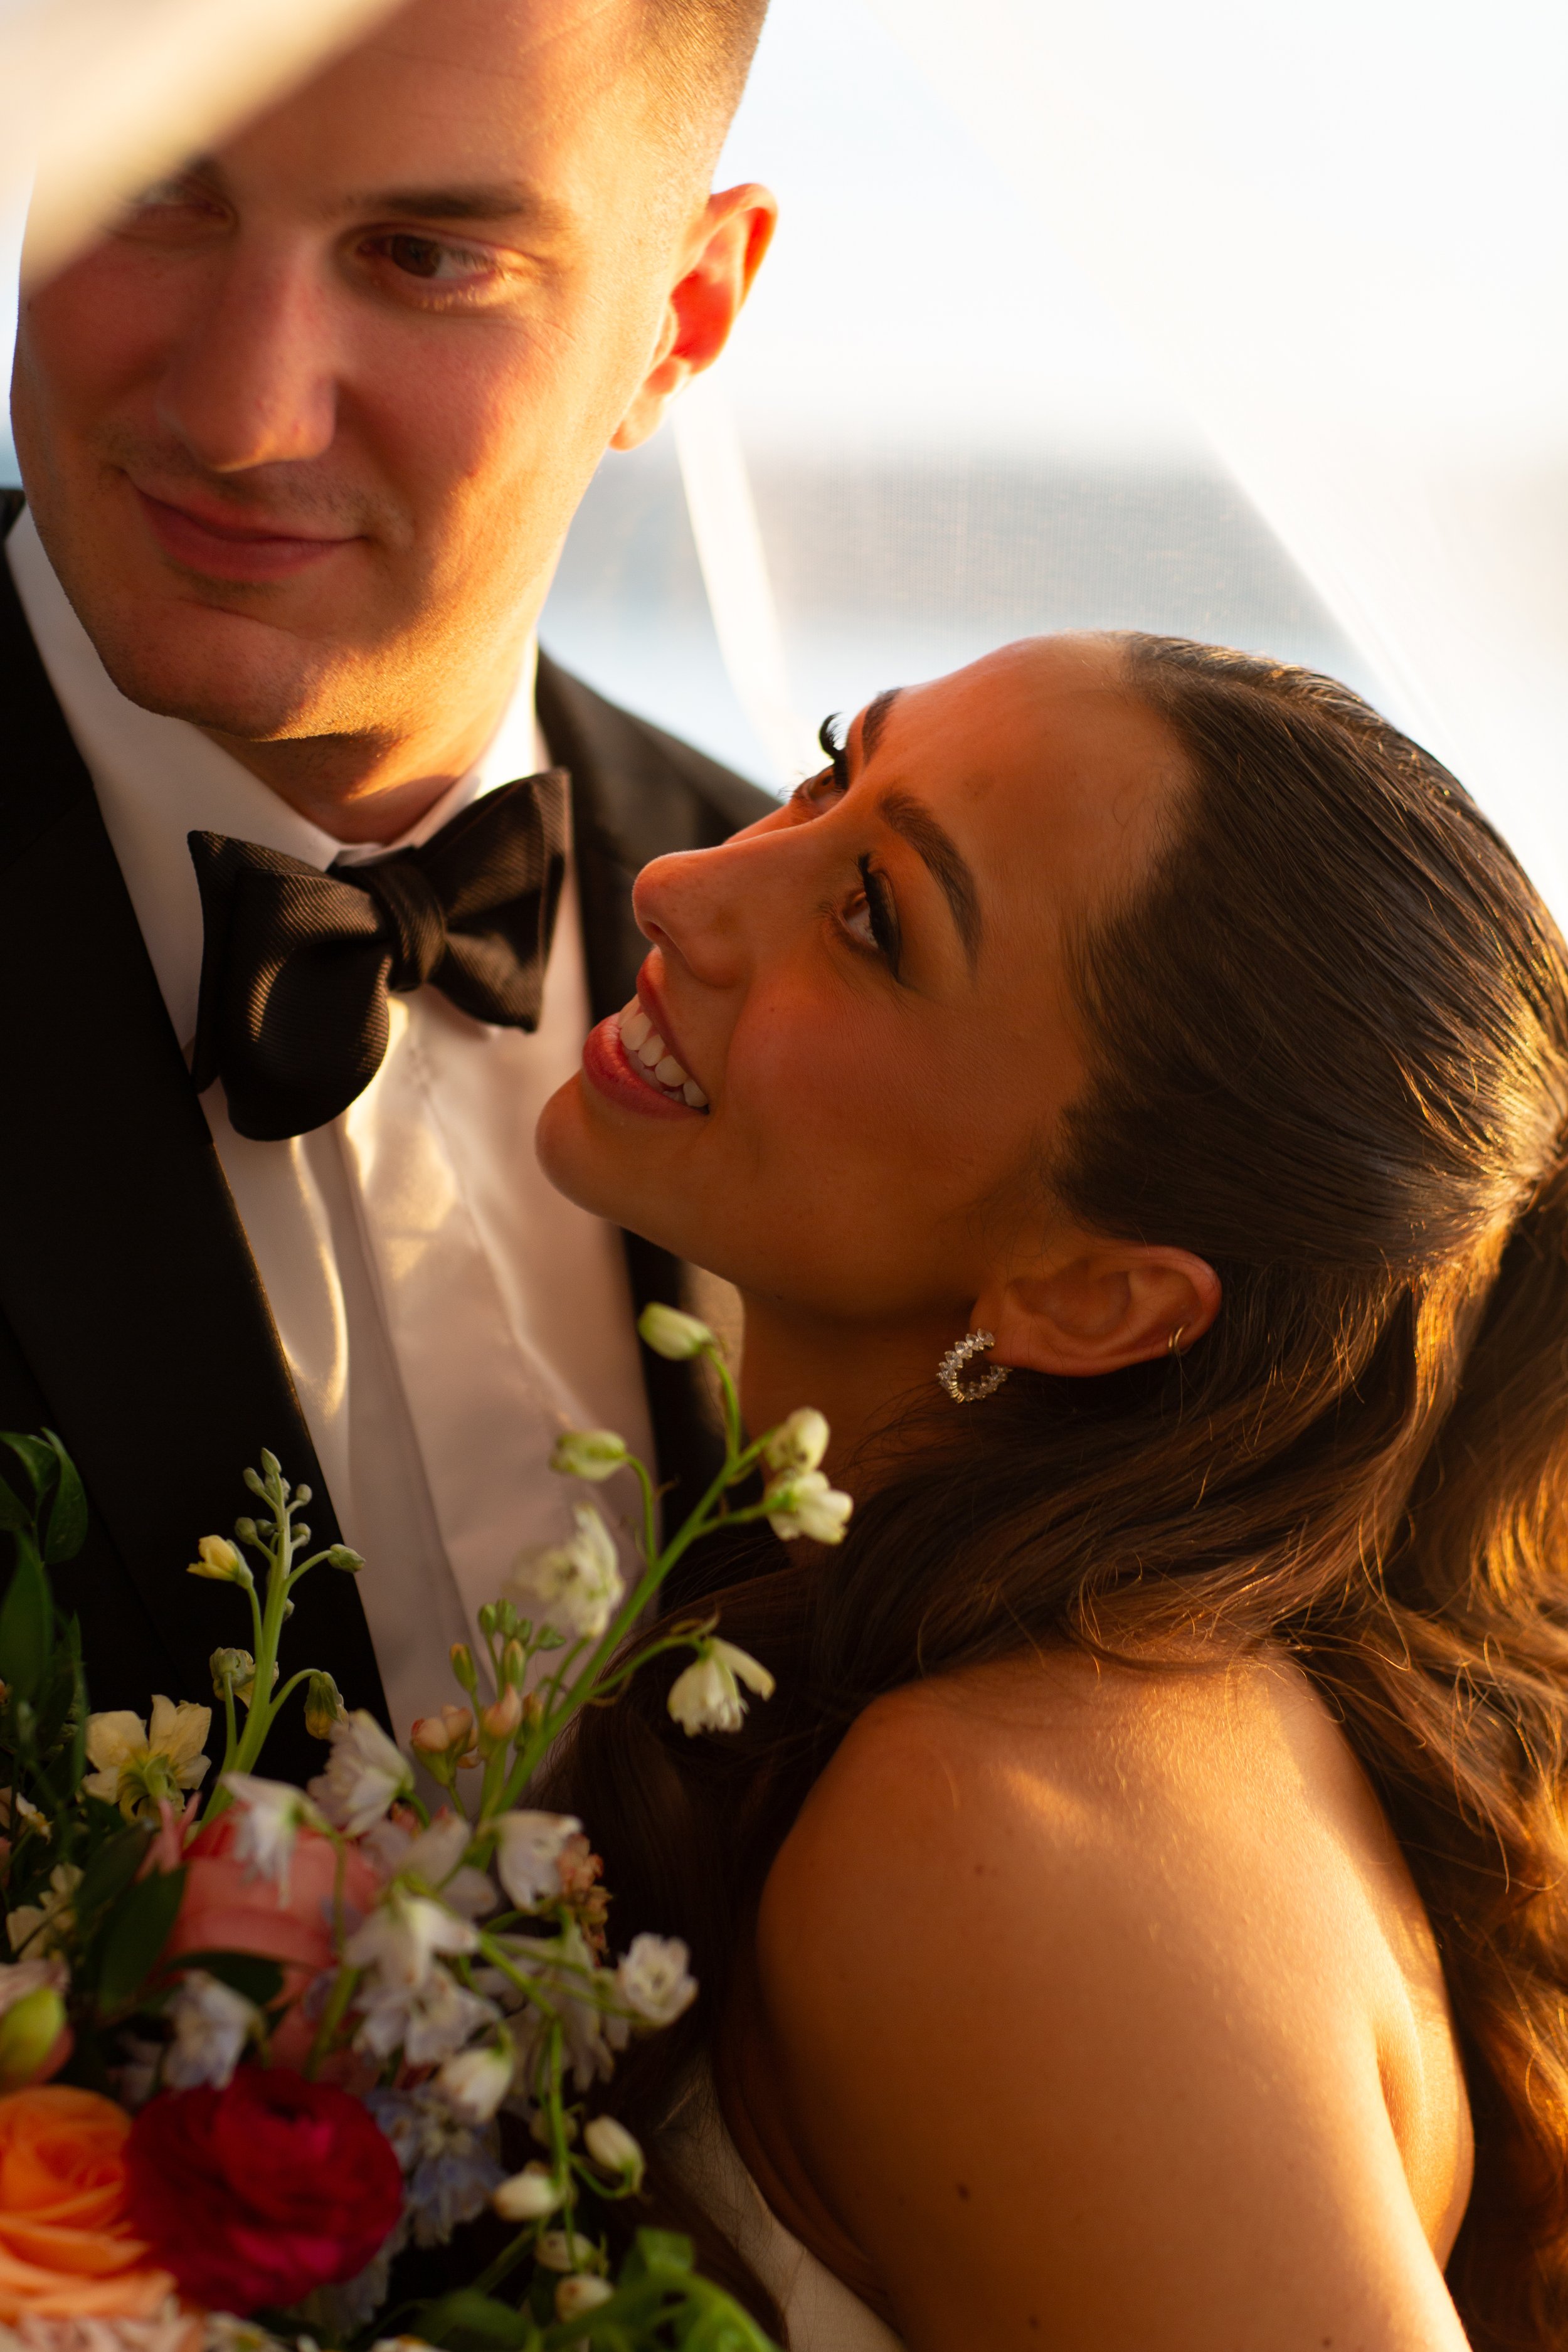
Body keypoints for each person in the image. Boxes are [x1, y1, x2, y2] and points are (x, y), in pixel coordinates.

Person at [539, 633, 1568, 2349]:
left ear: (1090, 1293)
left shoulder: (1002, 1832)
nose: (683, 882)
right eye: (825, 765)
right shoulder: (1163, 1675)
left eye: (870, 917)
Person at [0, 0, 776, 1776]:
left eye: (423, 255)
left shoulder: (861, 1003)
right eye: (148, 186)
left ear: (683, 319)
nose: (239, 415)